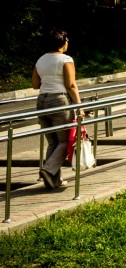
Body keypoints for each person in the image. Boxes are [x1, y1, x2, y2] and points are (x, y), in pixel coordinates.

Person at [32, 29, 83, 189]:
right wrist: (79, 106)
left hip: (42, 101)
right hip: (59, 101)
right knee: (66, 141)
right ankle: (48, 169)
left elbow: (35, 85)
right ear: (63, 42)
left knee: (53, 142)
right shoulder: (66, 59)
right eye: (67, 40)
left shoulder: (40, 60)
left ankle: (53, 180)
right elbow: (71, 85)